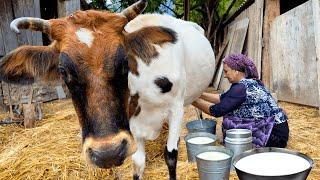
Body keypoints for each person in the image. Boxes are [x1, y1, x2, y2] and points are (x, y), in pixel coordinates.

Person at [192, 53, 289, 148]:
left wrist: (192, 100)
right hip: (278, 130)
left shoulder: (241, 88)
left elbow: (217, 110)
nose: (225, 76)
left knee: (230, 120)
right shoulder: (249, 82)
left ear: (236, 71)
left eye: (226, 71)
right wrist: (199, 94)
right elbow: (222, 98)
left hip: (273, 136)